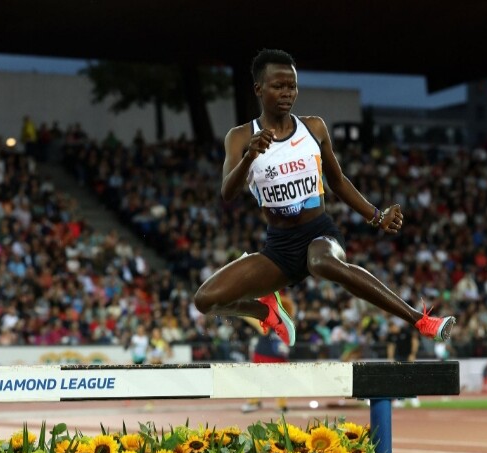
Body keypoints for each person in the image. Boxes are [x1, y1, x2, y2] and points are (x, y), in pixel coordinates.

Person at [193, 48, 455, 347]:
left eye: (292, 86)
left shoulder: (313, 127)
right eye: (278, 86)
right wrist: (249, 157)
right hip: (280, 247)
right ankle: (266, 311)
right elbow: (227, 193)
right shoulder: (240, 137)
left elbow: (338, 182)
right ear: (258, 89)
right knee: (205, 300)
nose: (287, 93)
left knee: (320, 262)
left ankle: (421, 320)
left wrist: (377, 216)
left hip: (320, 233)